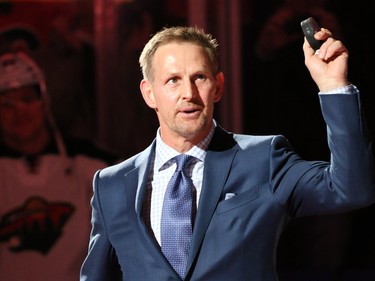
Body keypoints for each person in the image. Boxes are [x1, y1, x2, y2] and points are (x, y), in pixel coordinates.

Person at [80, 26, 375, 280]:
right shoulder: (112, 185)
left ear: (218, 86)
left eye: (200, 78)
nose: (189, 94)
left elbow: (352, 189)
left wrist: (334, 86)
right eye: (173, 80)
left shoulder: (264, 159)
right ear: (149, 93)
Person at [0, 51, 117, 281]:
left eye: (26, 98)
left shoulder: (94, 165)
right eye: (6, 104)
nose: (19, 111)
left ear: (43, 101)